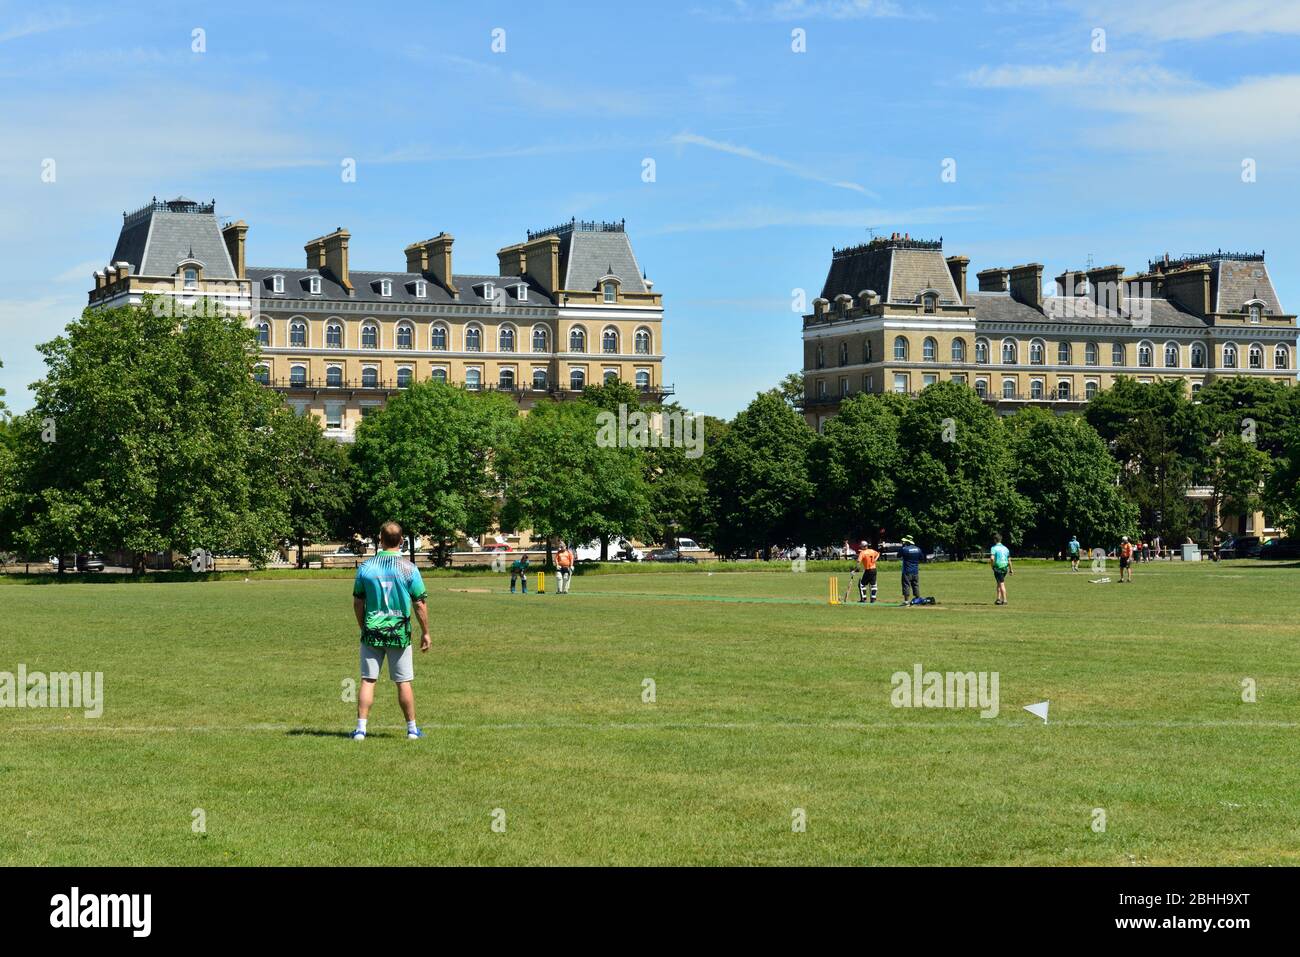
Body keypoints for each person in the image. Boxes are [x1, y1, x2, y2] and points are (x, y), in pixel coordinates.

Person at [350, 521, 430, 741]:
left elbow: (358, 603)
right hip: (399, 633)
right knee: (403, 681)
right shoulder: (409, 569)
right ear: (402, 541)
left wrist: (364, 627)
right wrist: (425, 632)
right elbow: (420, 603)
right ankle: (412, 729)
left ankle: (360, 729)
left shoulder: (365, 568)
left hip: (372, 632)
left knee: (368, 680)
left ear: (380, 539)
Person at [898, 535, 923, 604]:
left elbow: (898, 555)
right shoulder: (918, 549)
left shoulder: (904, 549)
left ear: (907, 542)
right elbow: (921, 558)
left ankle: (906, 601)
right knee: (915, 585)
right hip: (915, 571)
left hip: (906, 571)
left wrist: (902, 546)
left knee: (906, 585)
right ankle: (918, 599)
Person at [990, 533, 1012, 605]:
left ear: (995, 540)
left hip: (998, 568)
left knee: (1001, 584)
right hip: (1005, 568)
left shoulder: (994, 548)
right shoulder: (1006, 548)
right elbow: (1009, 560)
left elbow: (992, 558)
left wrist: (992, 566)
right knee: (999, 583)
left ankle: (1005, 600)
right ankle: (998, 599)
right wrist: (1011, 569)